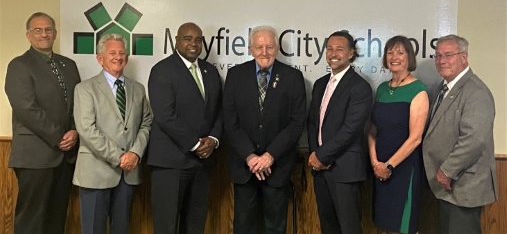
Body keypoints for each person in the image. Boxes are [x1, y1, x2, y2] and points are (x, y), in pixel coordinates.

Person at [223, 25, 306, 234]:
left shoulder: (293, 78)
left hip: (277, 165)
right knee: (243, 225)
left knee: (275, 226)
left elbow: (296, 123)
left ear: (277, 48)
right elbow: (230, 121)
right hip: (245, 166)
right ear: (250, 49)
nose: (264, 52)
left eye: (269, 47)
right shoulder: (235, 75)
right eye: (259, 47)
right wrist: (250, 157)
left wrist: (270, 155)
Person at [4, 12, 81, 234]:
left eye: (48, 29)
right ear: (28, 35)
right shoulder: (19, 65)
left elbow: (79, 102)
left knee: (56, 218)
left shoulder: (69, 65)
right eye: (38, 30)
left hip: (65, 157)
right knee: (32, 220)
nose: (44, 34)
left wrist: (75, 130)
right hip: (35, 157)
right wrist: (59, 137)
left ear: (55, 34)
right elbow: (26, 109)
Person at [147, 22, 222, 234]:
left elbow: (219, 110)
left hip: (202, 163)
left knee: (195, 225)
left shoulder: (210, 71)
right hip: (170, 163)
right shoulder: (162, 70)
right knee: (167, 226)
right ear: (177, 41)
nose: (194, 44)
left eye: (198, 40)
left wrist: (213, 140)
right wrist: (196, 143)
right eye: (188, 39)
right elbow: (165, 115)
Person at [73, 33, 152, 234]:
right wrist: (119, 157)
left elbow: (147, 123)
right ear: (100, 58)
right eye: (112, 53)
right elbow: (86, 129)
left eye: (122, 53)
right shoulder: (85, 89)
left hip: (128, 174)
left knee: (121, 229)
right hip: (95, 172)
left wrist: (135, 153)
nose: (118, 57)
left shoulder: (138, 89)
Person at [423, 34, 497, 234]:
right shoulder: (444, 88)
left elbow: (474, 139)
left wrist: (447, 170)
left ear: (464, 57)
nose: (441, 61)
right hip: (449, 187)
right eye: (437, 56)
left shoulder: (476, 92)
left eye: (448, 55)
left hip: (463, 185)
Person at [307, 31, 373, 234]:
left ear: (351, 54)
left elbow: (351, 129)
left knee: (349, 228)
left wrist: (322, 155)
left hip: (344, 170)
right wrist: (315, 157)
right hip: (320, 170)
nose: (333, 53)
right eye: (329, 49)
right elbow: (313, 124)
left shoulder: (360, 87)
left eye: (339, 49)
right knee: (328, 227)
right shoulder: (320, 84)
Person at [368, 36, 429, 234]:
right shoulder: (382, 89)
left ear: (409, 57)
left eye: (400, 52)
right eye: (390, 52)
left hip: (403, 169)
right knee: (386, 226)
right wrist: (376, 163)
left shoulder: (418, 90)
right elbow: (372, 131)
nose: (394, 57)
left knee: (402, 227)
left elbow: (415, 138)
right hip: (380, 169)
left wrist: (389, 165)